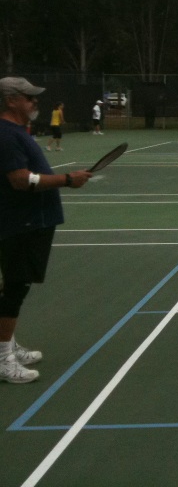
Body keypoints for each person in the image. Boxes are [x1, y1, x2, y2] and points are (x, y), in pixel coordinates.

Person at [1, 77, 92, 383]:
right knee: (15, 287)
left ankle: (8, 344)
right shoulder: (5, 134)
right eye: (29, 97)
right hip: (22, 222)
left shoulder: (16, 131)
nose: (35, 102)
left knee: (16, 287)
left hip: (32, 221)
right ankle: (3, 358)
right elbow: (21, 179)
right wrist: (67, 180)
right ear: (12, 100)